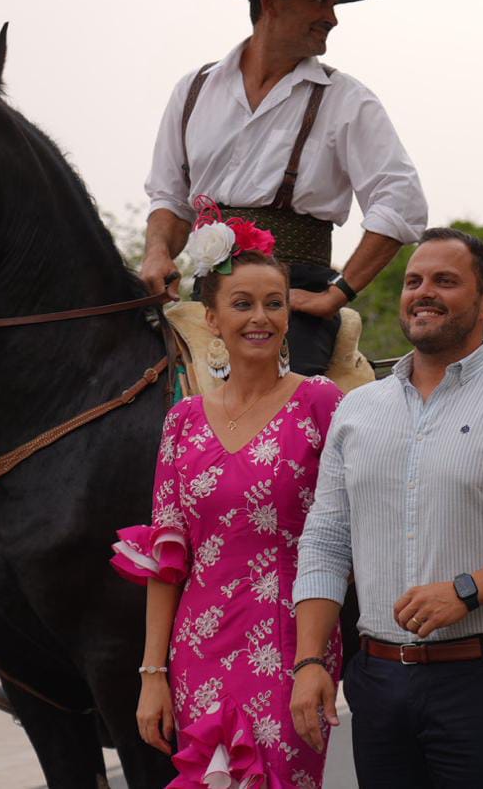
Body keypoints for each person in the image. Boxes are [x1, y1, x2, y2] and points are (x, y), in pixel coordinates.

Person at [289, 228, 483, 788]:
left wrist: (466, 591)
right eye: (413, 281)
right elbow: (326, 538)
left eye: (445, 281)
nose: (423, 292)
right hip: (377, 683)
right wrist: (311, 660)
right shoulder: (357, 410)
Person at [110, 217, 345, 788]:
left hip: (291, 645)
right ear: (212, 319)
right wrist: (152, 673)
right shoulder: (183, 420)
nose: (260, 317)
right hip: (198, 650)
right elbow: (169, 558)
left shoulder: (320, 401)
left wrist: (314, 657)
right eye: (243, 304)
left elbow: (345, 530)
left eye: (275, 303)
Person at [140, 0, 428, 376]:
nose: (331, 18)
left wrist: (338, 293)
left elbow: (402, 202)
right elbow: (170, 199)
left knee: (287, 420)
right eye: (320, 0)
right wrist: (157, 252)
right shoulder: (194, 90)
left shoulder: (347, 100)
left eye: (333, 4)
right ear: (271, 1)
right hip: (209, 299)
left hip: (293, 304)